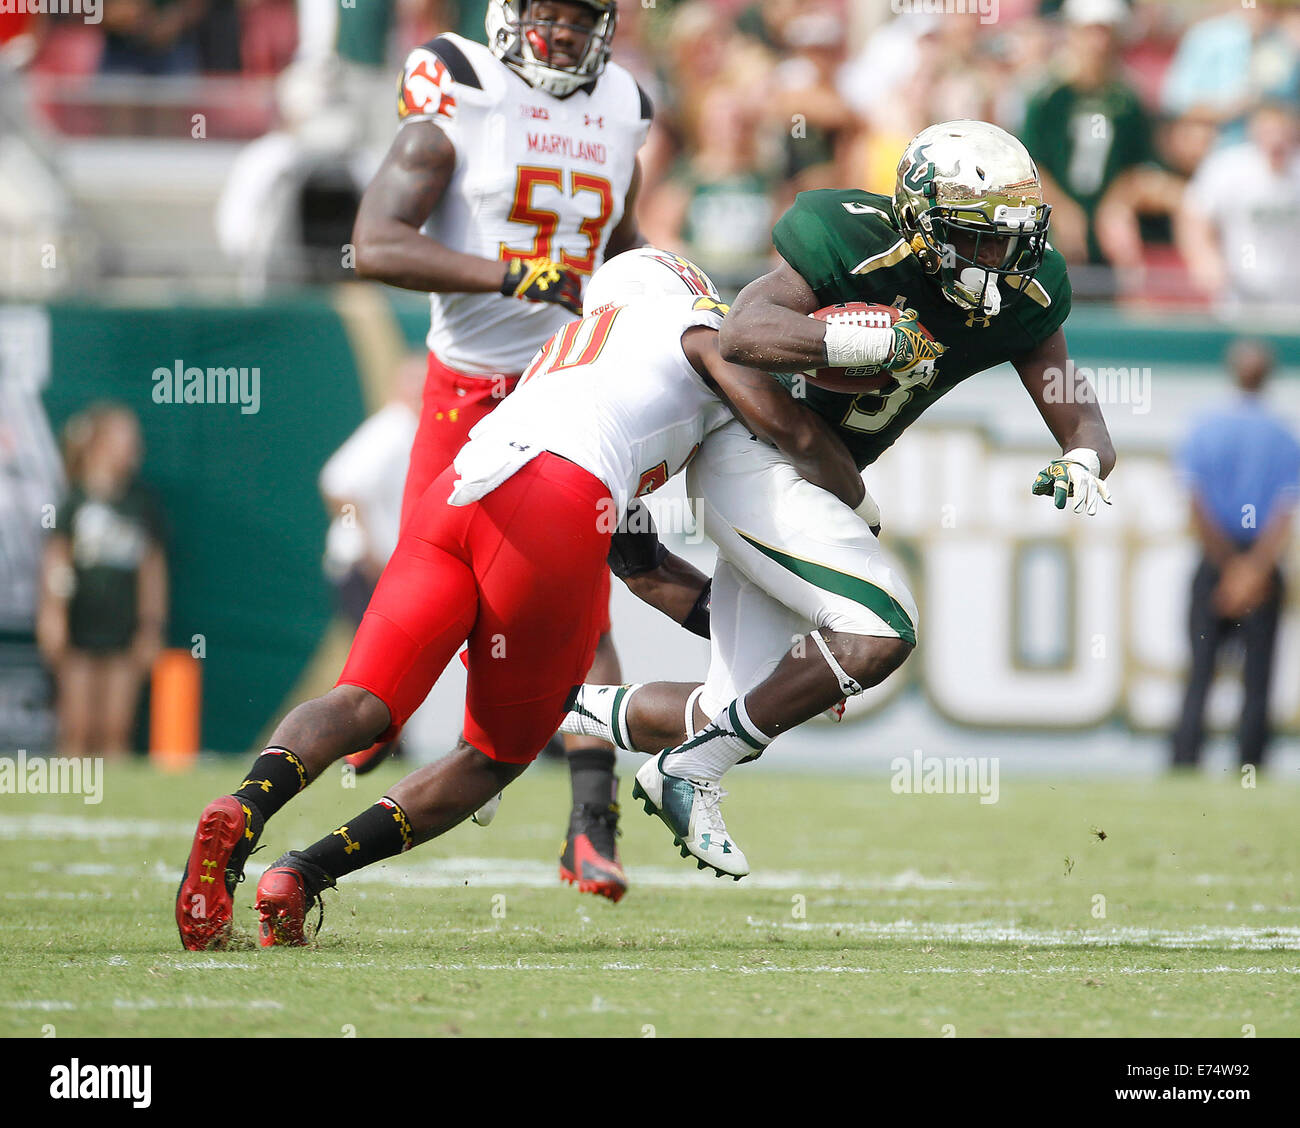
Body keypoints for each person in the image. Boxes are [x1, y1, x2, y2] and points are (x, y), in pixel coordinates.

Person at [173, 248, 868, 950]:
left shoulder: (571, 350)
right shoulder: (699, 326)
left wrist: (771, 649)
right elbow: (788, 430)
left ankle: (244, 808)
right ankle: (301, 874)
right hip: (554, 501)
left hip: (461, 486)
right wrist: (851, 517)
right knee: (495, 755)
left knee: (361, 699)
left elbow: (647, 570)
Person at [558, 120, 1117, 877]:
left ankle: (545, 707)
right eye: (976, 237)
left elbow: (1067, 396)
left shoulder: (1025, 289)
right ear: (921, 223)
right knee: (881, 627)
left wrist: (1085, 456)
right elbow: (741, 335)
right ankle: (689, 772)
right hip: (750, 453)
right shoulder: (848, 236)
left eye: (1011, 237)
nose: (998, 257)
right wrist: (845, 345)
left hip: (817, 476)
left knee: (731, 705)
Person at [348, 0, 652, 902]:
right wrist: (506, 272)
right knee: (431, 597)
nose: (562, 32)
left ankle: (591, 828)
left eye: (580, 14)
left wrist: (649, 299)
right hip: (465, 389)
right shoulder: (464, 84)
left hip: (568, 390)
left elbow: (621, 240)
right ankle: (376, 709)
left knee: (581, 614)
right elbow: (373, 244)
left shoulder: (627, 101)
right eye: (547, 12)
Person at [1171, 340, 1300, 771]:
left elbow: (1195, 503)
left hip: (1216, 558)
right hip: (1261, 564)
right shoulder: (1282, 434)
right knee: (1258, 676)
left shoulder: (1205, 427)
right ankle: (1250, 762)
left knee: (1200, 669)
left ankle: (1186, 761)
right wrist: (1252, 570)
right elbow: (1284, 511)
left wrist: (1228, 569)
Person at [36, 405, 168, 760]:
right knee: (77, 724)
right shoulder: (73, 502)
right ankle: (69, 800)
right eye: (126, 439)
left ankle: (113, 804)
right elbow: (57, 560)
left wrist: (150, 625)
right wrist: (53, 613)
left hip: (123, 630)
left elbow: (151, 571)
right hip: (79, 626)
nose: (135, 448)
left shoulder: (141, 503)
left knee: (116, 726)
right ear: (97, 444)